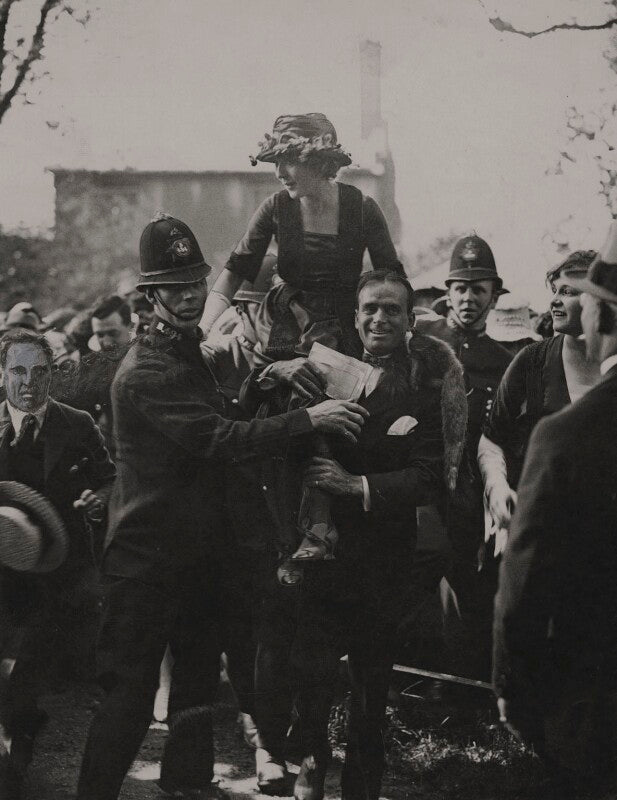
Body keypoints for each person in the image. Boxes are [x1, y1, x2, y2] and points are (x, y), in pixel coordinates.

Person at [76, 213, 368, 800]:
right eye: (174, 287)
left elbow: (219, 420)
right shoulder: (146, 370)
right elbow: (216, 441)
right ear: (151, 296)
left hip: (194, 558)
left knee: (195, 687)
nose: (188, 297)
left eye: (194, 283)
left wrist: (257, 389)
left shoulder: (183, 354)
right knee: (130, 698)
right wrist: (308, 417)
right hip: (144, 563)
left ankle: (185, 786)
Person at [245, 270, 466, 800]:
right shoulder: (324, 365)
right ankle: (314, 758)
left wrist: (357, 484)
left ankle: (363, 786)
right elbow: (256, 407)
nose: (379, 319)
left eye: (392, 310)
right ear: (355, 315)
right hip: (322, 552)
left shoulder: (427, 380)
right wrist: (277, 371)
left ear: (411, 320)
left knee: (371, 684)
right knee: (313, 670)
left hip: (386, 557)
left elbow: (431, 473)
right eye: (369, 308)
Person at [493, 223, 617, 798]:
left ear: (598, 319)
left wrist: (516, 697)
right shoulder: (534, 369)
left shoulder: (566, 438)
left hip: (591, 701)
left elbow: (523, 590)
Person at [0, 329, 115, 799]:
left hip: (61, 572)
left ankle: (17, 740)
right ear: (2, 373)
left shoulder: (77, 423)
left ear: (53, 374)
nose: (30, 383)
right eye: (19, 371)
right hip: (2, 571)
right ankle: (16, 734)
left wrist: (98, 500)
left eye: (40, 372)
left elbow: (110, 479)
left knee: (31, 662)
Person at [200, 112, 403, 359]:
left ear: (319, 161)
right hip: (285, 328)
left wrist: (403, 329)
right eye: (275, 162)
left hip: (345, 329)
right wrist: (203, 328)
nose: (279, 173)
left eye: (289, 161)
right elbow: (235, 272)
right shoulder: (275, 207)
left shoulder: (362, 208)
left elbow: (391, 277)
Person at [415, 234, 513, 680]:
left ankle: (464, 692)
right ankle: (411, 687)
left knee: (473, 587)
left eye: (479, 289)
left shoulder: (505, 361)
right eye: (460, 288)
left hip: (472, 489)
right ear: (447, 293)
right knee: (411, 587)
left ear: (494, 297)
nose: (469, 298)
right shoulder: (423, 345)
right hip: (419, 480)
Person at [479, 250, 600, 538]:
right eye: (555, 290)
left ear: (599, 300)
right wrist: (497, 487)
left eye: (568, 291)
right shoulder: (531, 361)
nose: (555, 300)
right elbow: (491, 440)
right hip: (538, 528)